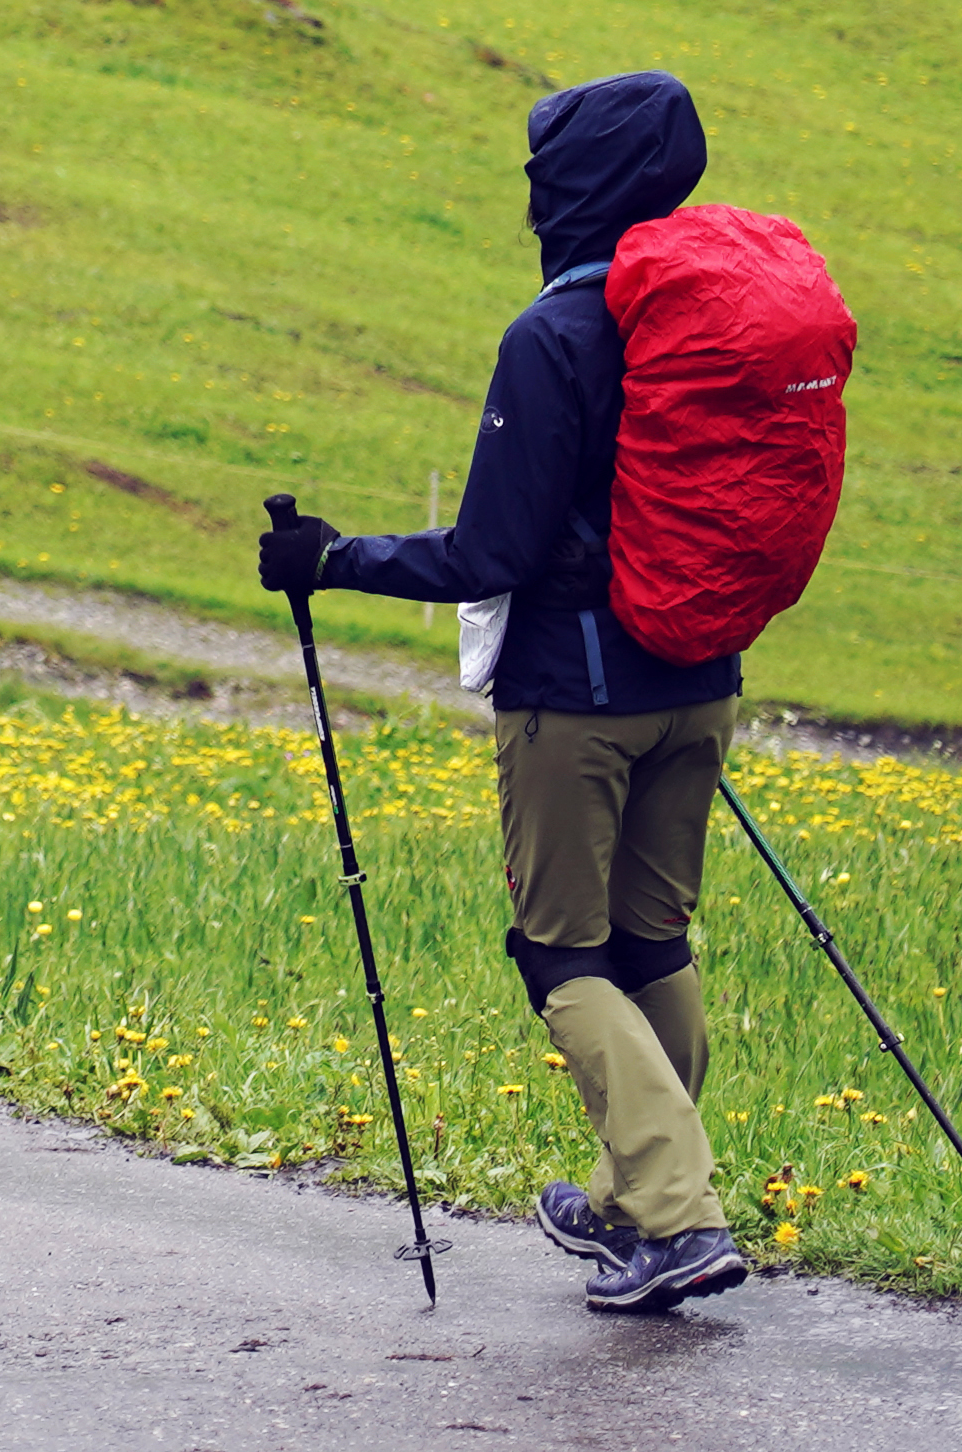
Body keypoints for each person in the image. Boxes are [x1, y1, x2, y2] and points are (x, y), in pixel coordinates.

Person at [256, 69, 749, 1318]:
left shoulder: (557, 335)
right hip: (701, 679)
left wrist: (332, 559)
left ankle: (679, 1215)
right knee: (654, 942)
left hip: (572, 701)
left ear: (569, 187)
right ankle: (637, 1202)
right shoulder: (697, 313)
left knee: (561, 955)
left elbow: (491, 555)